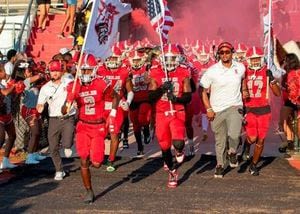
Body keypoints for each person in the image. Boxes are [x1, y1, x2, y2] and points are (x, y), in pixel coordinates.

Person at [63, 53, 119, 203]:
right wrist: (70, 99)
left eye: (88, 70)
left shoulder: (101, 83)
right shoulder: (74, 85)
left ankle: (93, 166)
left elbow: (115, 96)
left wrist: (112, 113)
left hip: (98, 126)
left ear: (94, 70)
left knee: (97, 163)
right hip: (82, 126)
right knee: (83, 159)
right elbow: (64, 110)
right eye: (83, 70)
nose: (85, 73)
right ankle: (89, 191)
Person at [200, 42, 246, 178]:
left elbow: (242, 80)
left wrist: (244, 91)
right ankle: (220, 164)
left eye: (227, 52)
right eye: (222, 52)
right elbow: (203, 91)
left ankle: (232, 152)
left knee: (234, 134)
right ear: (218, 54)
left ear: (232, 53)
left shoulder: (241, 67)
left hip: (235, 105)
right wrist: (208, 108)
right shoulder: (212, 70)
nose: (225, 54)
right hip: (217, 109)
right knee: (220, 140)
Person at [148, 44, 192, 188]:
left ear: (178, 58)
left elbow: (188, 96)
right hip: (161, 113)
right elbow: (150, 96)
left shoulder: (183, 71)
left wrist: (177, 99)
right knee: (164, 145)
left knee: (178, 141)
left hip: (177, 111)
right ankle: (172, 171)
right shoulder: (155, 72)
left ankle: (179, 149)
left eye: (172, 58)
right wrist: (161, 88)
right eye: (166, 58)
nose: (169, 61)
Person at [241, 46, 281, 176]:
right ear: (248, 60)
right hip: (250, 109)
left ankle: (253, 164)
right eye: (252, 59)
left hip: (264, 110)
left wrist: (273, 80)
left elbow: (277, 93)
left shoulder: (266, 72)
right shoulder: (244, 71)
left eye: (257, 59)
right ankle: (246, 146)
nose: (255, 62)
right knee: (252, 138)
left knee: (261, 140)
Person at [36, 60, 76, 181]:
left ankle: (68, 145)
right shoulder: (45, 88)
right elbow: (40, 104)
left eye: (56, 71)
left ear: (61, 71)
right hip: (53, 118)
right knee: (53, 147)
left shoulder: (69, 82)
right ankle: (59, 170)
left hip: (68, 117)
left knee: (67, 144)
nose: (54, 73)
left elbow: (76, 91)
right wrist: (40, 107)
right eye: (52, 71)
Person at [97, 46, 133, 172]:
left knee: (114, 132)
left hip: (117, 105)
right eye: (110, 57)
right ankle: (98, 155)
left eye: (114, 57)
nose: (112, 60)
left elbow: (130, 91)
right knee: (100, 133)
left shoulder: (124, 71)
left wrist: (128, 102)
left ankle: (111, 159)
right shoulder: (100, 70)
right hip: (103, 105)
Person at [12, 60, 47, 164]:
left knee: (38, 132)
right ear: (22, 73)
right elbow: (38, 77)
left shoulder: (31, 83)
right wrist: (41, 73)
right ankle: (29, 156)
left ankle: (35, 153)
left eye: (31, 71)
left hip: (35, 109)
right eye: (28, 71)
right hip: (28, 110)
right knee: (35, 131)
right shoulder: (23, 82)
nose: (31, 73)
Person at [0, 63, 24, 169]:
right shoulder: (3, 86)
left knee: (12, 136)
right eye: (2, 71)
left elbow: (9, 97)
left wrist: (17, 92)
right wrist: (13, 86)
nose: (4, 73)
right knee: (0, 139)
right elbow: (5, 93)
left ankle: (5, 160)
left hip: (7, 114)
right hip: (0, 116)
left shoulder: (3, 84)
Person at [128, 50, 151, 155]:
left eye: (138, 60)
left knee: (142, 118)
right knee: (135, 124)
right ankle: (139, 147)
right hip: (133, 99)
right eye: (134, 60)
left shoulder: (147, 68)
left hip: (145, 98)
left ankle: (146, 130)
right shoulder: (127, 70)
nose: (136, 62)